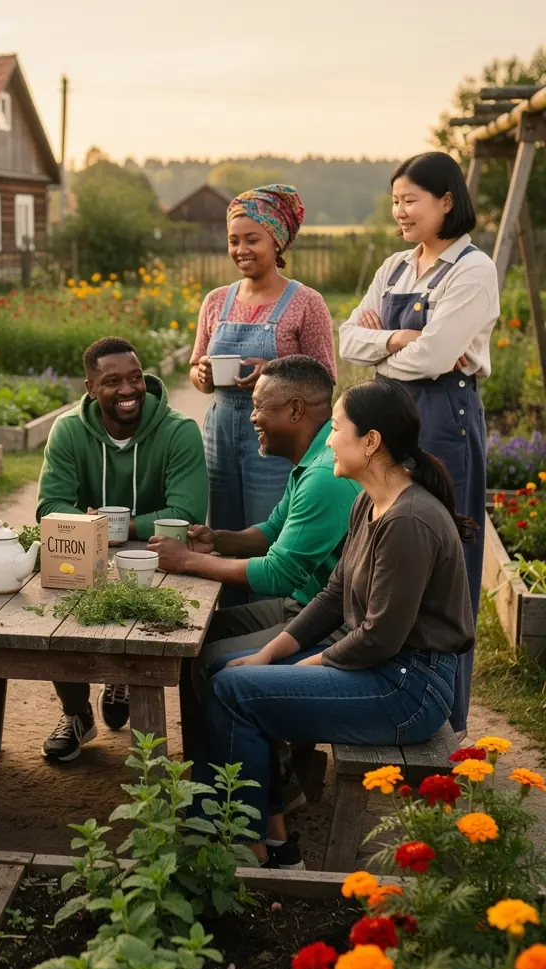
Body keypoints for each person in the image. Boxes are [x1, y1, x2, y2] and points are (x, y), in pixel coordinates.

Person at [193, 378, 475, 866]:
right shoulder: (369, 500)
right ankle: (271, 841)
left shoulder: (409, 521)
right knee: (233, 672)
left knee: (233, 691)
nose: (327, 438)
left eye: (337, 428)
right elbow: (333, 595)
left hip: (409, 690)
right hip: (382, 668)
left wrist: (296, 671)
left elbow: (379, 638)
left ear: (370, 442)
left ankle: (249, 847)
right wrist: (268, 655)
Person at [339, 151, 499, 736]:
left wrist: (394, 344)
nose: (399, 211)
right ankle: (385, 689)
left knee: (447, 567)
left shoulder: (472, 271)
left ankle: (445, 717)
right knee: (385, 554)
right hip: (394, 415)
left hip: (444, 423)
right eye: (395, 200)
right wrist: (404, 338)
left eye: (410, 200)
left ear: (446, 201)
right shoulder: (395, 268)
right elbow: (345, 336)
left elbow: (433, 358)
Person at [36, 336, 208, 761]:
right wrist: (95, 531)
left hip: (160, 556)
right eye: (112, 381)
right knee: (57, 608)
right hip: (87, 551)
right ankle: (77, 715)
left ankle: (124, 680)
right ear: (91, 388)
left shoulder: (178, 431)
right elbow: (49, 505)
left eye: (135, 378)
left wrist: (114, 525)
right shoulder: (69, 430)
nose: (129, 390)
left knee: (158, 623)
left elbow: (185, 513)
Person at [150, 355, 361, 664]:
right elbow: (272, 531)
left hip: (331, 622)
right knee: (190, 632)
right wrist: (217, 539)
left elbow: (279, 574)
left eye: (259, 407)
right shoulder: (312, 459)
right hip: (301, 605)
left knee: (206, 659)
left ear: (295, 410)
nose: (252, 417)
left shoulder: (324, 476)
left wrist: (187, 560)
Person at [189, 185, 335, 605]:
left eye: (252, 239)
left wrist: (269, 376)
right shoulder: (216, 300)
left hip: (277, 438)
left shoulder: (307, 303)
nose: (241, 249)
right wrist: (201, 373)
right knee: (223, 533)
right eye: (234, 240)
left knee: (270, 533)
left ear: (277, 240)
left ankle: (274, 623)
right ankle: (225, 624)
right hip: (220, 431)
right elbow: (198, 368)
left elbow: (325, 378)